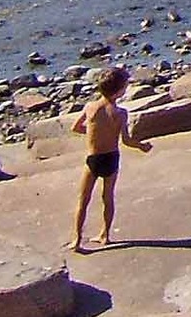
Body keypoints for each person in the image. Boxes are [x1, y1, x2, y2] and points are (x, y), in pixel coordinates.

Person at [68, 66, 150, 252]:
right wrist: (142, 146)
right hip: (111, 158)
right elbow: (126, 140)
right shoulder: (120, 113)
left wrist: (92, 133)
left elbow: (75, 127)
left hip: (93, 159)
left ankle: (77, 239)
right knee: (108, 197)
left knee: (83, 199)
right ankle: (105, 234)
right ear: (119, 91)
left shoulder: (91, 108)